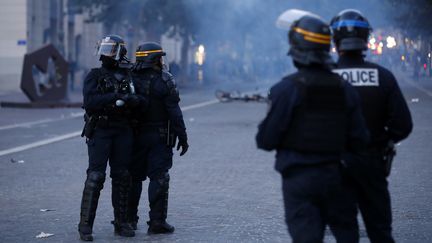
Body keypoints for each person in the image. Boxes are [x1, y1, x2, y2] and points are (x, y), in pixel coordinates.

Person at [256, 14, 369, 243]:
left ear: (296, 49)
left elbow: (265, 140)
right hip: (337, 177)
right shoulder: (344, 88)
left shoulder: (285, 89)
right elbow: (360, 139)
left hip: (300, 182)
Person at [331, 9, 413, 243]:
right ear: (366, 39)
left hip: (335, 166)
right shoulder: (384, 76)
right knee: (380, 232)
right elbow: (403, 125)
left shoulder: (324, 77)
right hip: (372, 163)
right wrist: (384, 140)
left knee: (345, 234)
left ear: (336, 40)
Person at [78, 35, 146, 241]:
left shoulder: (129, 76)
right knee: (95, 177)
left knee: (123, 176)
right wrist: (115, 97)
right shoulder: (94, 76)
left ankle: (122, 222)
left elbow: (143, 101)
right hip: (101, 130)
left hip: (123, 130)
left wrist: (133, 100)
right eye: (105, 49)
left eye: (111, 49)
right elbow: (90, 102)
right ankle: (85, 225)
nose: (106, 54)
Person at [127, 42, 189, 234]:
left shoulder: (129, 78)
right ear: (153, 59)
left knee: (133, 179)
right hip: (159, 137)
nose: (161, 61)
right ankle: (157, 221)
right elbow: (174, 112)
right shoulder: (165, 80)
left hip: (134, 136)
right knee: (159, 177)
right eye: (159, 58)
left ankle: (128, 221)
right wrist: (183, 136)